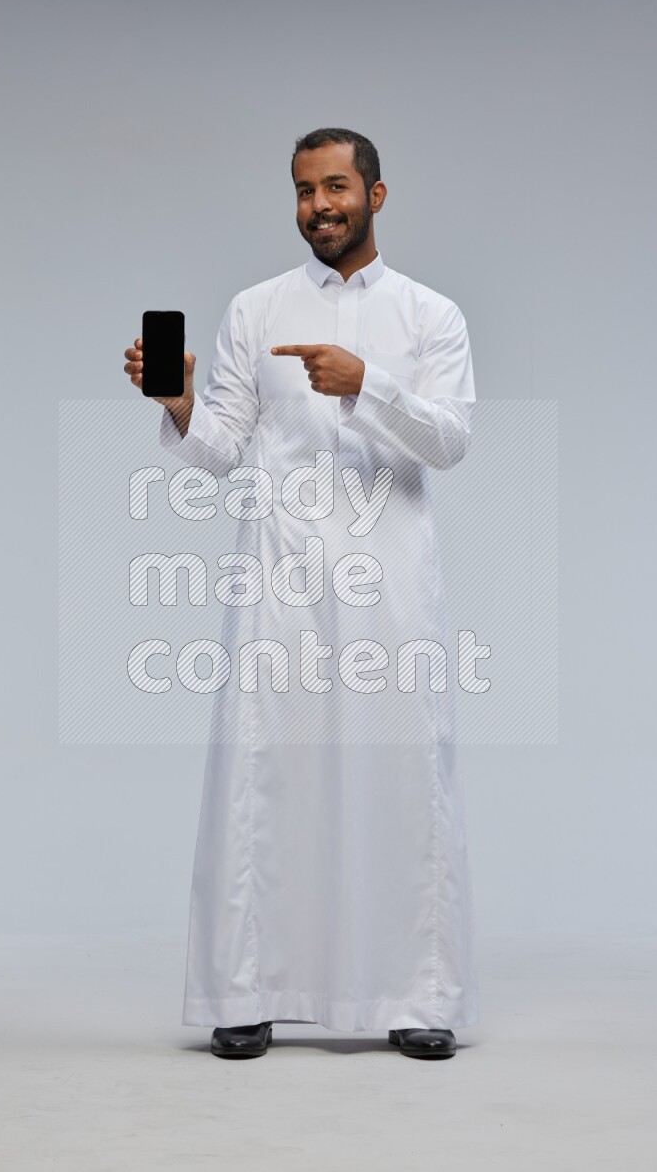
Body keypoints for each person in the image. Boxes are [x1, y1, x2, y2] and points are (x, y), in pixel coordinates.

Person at [123, 127, 479, 1060]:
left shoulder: (429, 315)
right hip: (279, 577)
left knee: (403, 774)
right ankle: (247, 992)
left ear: (376, 194)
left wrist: (369, 386)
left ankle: (418, 995)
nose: (318, 206)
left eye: (335, 188)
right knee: (263, 777)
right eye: (303, 191)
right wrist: (178, 402)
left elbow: (449, 440)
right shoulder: (257, 308)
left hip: (390, 583)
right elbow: (218, 448)